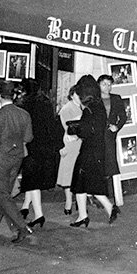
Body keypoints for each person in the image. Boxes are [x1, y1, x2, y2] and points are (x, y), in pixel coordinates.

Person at [0, 80, 33, 243]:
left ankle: (22, 227)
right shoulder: (24, 114)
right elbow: (28, 138)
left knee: (1, 194)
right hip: (16, 159)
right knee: (4, 194)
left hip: (0, 160)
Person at [70, 74, 118, 226]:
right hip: (98, 148)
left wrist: (75, 129)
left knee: (80, 182)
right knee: (88, 182)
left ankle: (86, 215)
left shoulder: (88, 109)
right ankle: (99, 211)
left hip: (89, 150)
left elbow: (86, 131)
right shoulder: (99, 107)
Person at [18, 84, 63, 229]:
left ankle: (39, 215)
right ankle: (25, 206)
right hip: (45, 147)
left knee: (31, 180)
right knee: (33, 178)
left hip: (32, 146)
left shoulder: (26, 106)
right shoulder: (45, 103)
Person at [56, 86, 84, 216]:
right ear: (72, 95)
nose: (80, 97)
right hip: (71, 144)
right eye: (78, 94)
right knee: (68, 175)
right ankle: (68, 201)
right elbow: (68, 129)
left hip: (81, 144)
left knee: (79, 174)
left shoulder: (83, 107)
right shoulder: (66, 109)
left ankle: (79, 201)